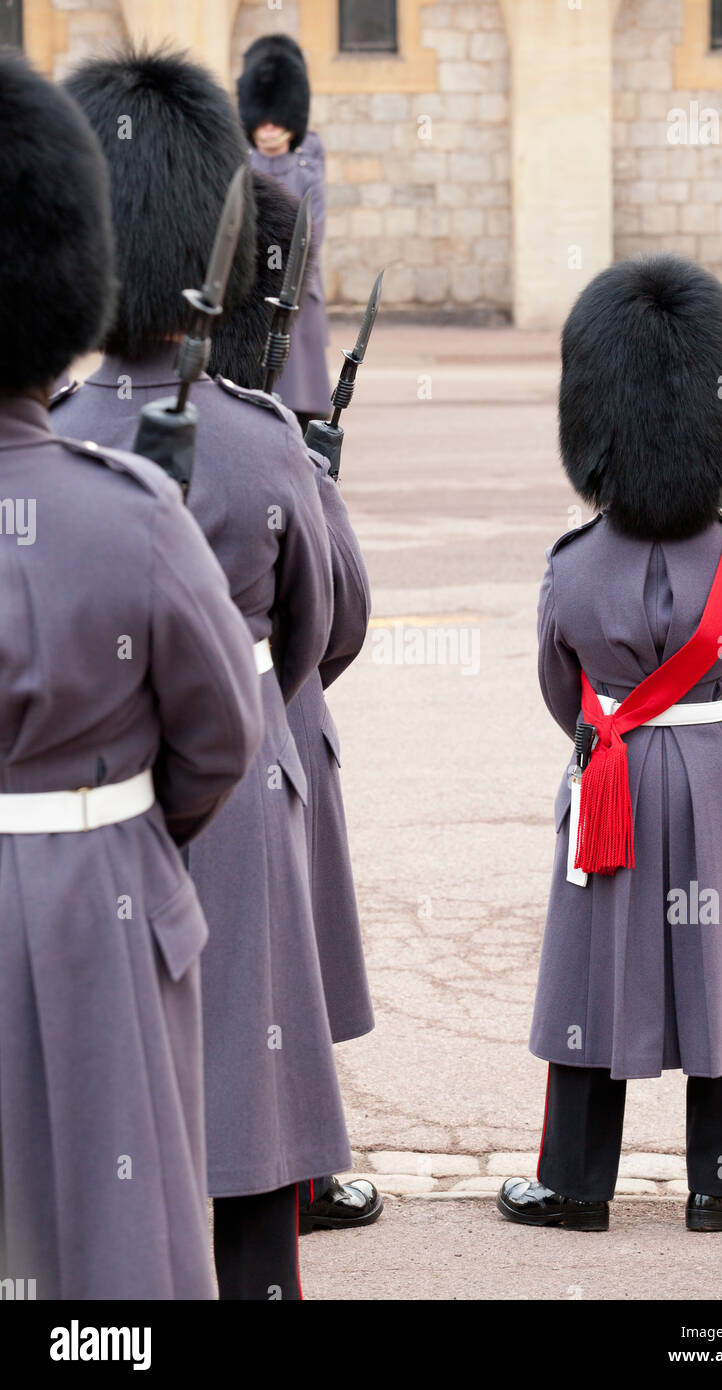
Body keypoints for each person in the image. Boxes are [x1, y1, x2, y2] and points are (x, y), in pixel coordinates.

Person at [56, 47, 351, 1300]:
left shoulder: (54, 434)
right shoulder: (263, 438)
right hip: (238, 806)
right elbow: (327, 634)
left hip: (87, 813)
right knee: (245, 1124)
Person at [0, 51, 263, 1299]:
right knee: (114, 1255)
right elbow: (221, 736)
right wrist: (117, 828)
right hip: (99, 894)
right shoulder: (132, 514)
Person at [498, 255, 722, 1234]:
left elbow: (560, 685)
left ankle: (576, 1185)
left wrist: (616, 742)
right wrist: (720, 748)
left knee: (595, 969)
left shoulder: (573, 568)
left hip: (612, 775)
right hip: (718, 770)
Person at [209, 169, 382, 1233]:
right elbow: (333, 626)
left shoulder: (76, 423)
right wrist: (318, 481)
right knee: (267, 976)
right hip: (264, 724)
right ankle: (290, 1174)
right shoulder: (265, 436)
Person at [237, 33, 332, 432]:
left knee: (300, 393)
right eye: (263, 120)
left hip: (300, 292)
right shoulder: (242, 163)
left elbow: (315, 229)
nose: (270, 128)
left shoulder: (307, 166)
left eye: (278, 120)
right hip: (252, 290)